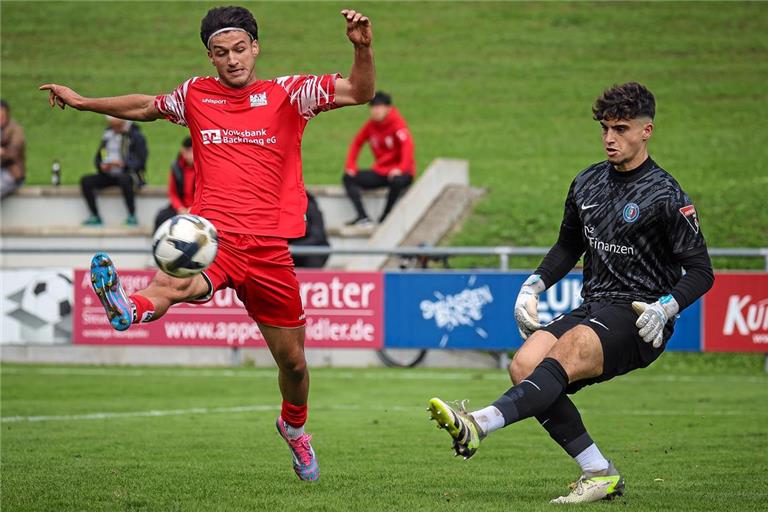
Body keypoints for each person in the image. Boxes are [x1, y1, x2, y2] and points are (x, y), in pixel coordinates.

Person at [40, 5, 374, 482]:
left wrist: (361, 48)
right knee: (177, 286)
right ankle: (127, 308)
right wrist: (84, 101)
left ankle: (294, 428)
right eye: (221, 53)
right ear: (210, 57)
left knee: (295, 364)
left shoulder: (290, 93)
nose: (233, 59)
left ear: (255, 48)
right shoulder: (195, 94)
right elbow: (145, 107)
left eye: (240, 49)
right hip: (211, 236)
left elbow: (360, 92)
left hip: (269, 248)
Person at [427, 82, 714, 504]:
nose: (610, 139)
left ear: (646, 130)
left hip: (638, 315)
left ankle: (478, 424)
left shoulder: (666, 195)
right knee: (524, 364)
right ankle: (598, 472)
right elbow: (568, 246)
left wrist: (666, 307)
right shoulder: (587, 183)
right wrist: (533, 285)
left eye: (620, 129)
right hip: (594, 304)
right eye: (604, 129)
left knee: (568, 349)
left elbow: (701, 271)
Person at [343, 90, 415, 225]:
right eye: (373, 107)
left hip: (401, 173)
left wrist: (401, 168)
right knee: (348, 178)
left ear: (388, 108)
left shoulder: (397, 123)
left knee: (397, 181)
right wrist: (350, 165)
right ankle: (363, 217)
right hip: (382, 171)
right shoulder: (371, 126)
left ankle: (386, 217)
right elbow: (357, 142)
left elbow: (408, 146)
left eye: (379, 107)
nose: (375, 111)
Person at [80, 116, 148, 226]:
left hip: (128, 174)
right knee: (86, 181)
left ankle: (132, 215)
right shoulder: (107, 135)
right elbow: (98, 157)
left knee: (124, 180)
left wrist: (124, 164)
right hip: (109, 173)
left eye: (117, 125)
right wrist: (101, 165)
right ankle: (95, 216)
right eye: (112, 125)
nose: (114, 128)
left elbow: (141, 160)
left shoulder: (136, 136)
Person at [154, 137, 195, 231]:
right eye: (187, 151)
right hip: (180, 208)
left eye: (191, 151)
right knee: (161, 217)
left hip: (197, 208)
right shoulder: (176, 167)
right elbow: (172, 193)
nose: (189, 155)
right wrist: (180, 208)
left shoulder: (203, 169)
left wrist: (192, 209)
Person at [289, 192, 330, 268]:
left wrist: (293, 246)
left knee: (313, 257)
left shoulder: (311, 208)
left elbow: (317, 237)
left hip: (313, 249)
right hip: (290, 249)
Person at [0, 99, 26, 200]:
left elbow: (14, 152)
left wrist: (2, 152)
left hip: (12, 172)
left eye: (2, 116)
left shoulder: (16, 130)